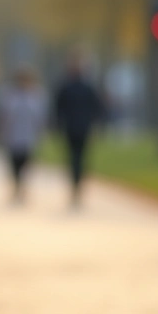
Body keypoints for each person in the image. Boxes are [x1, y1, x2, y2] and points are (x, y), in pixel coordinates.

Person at [53, 55, 105, 207]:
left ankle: (76, 186)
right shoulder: (86, 87)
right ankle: (77, 185)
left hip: (74, 127)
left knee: (74, 158)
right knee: (79, 158)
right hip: (81, 128)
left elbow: (58, 109)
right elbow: (97, 108)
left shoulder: (67, 87)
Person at [0, 67, 49, 205]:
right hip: (12, 135)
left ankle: (23, 186)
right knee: (13, 163)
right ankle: (16, 186)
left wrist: (42, 131)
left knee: (27, 163)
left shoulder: (37, 95)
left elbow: (41, 116)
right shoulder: (8, 94)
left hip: (29, 136)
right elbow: (2, 114)